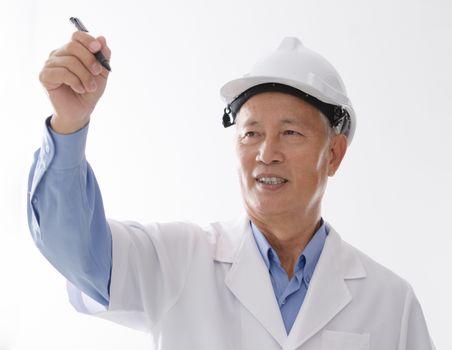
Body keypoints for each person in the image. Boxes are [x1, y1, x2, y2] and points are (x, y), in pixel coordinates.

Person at [27, 32, 435, 349]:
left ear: (334, 154)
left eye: (290, 133)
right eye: (251, 133)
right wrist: (69, 122)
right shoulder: (177, 262)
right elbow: (75, 249)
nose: (266, 154)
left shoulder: (390, 302)